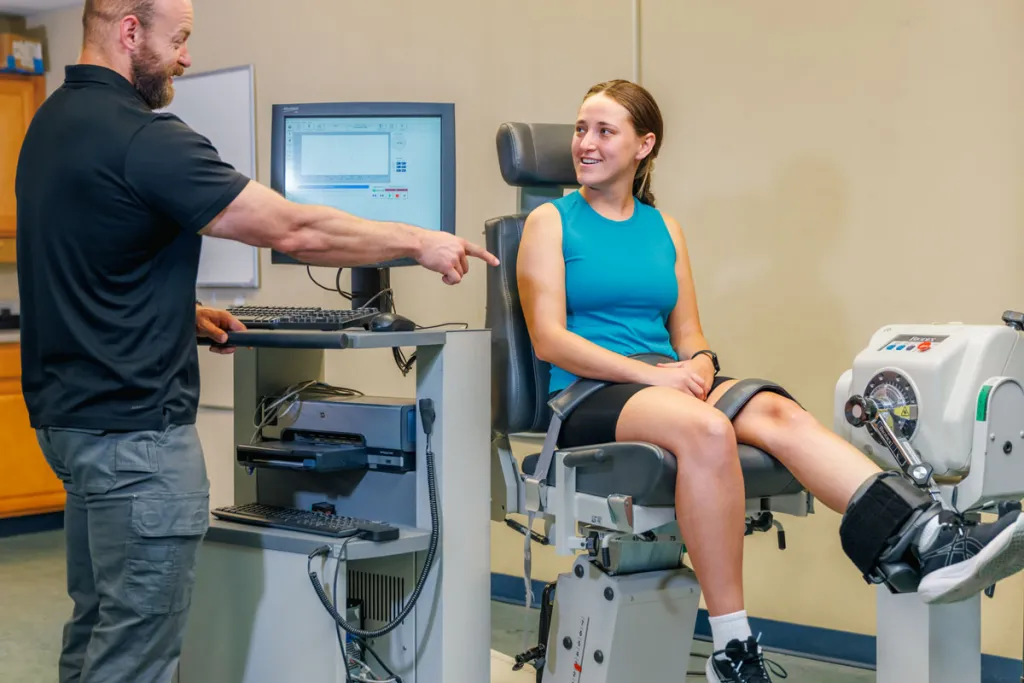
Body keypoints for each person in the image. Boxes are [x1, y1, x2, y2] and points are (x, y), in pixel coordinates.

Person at [13, 1, 498, 682]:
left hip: (73, 430)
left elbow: (88, 262)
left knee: (96, 629)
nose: (186, 56)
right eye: (178, 39)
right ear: (129, 32)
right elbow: (292, 229)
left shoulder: (51, 125)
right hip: (138, 442)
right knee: (135, 658)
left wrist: (182, 312)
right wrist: (418, 240)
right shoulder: (143, 138)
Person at [515, 79, 1024, 683]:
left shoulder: (663, 227)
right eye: (581, 129)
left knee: (779, 411)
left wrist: (698, 365)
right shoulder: (548, 221)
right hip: (588, 393)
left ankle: (933, 536)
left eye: (604, 131)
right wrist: (660, 378)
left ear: (644, 145)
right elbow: (550, 340)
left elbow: (690, 333)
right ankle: (732, 648)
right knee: (707, 431)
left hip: (667, 383)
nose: (586, 144)